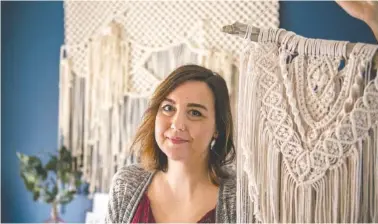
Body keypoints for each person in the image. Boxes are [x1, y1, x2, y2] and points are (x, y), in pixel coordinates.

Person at [105, 65, 236, 223]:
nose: (177, 123)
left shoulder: (240, 199)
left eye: (195, 113)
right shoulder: (126, 185)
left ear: (218, 128)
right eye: (168, 108)